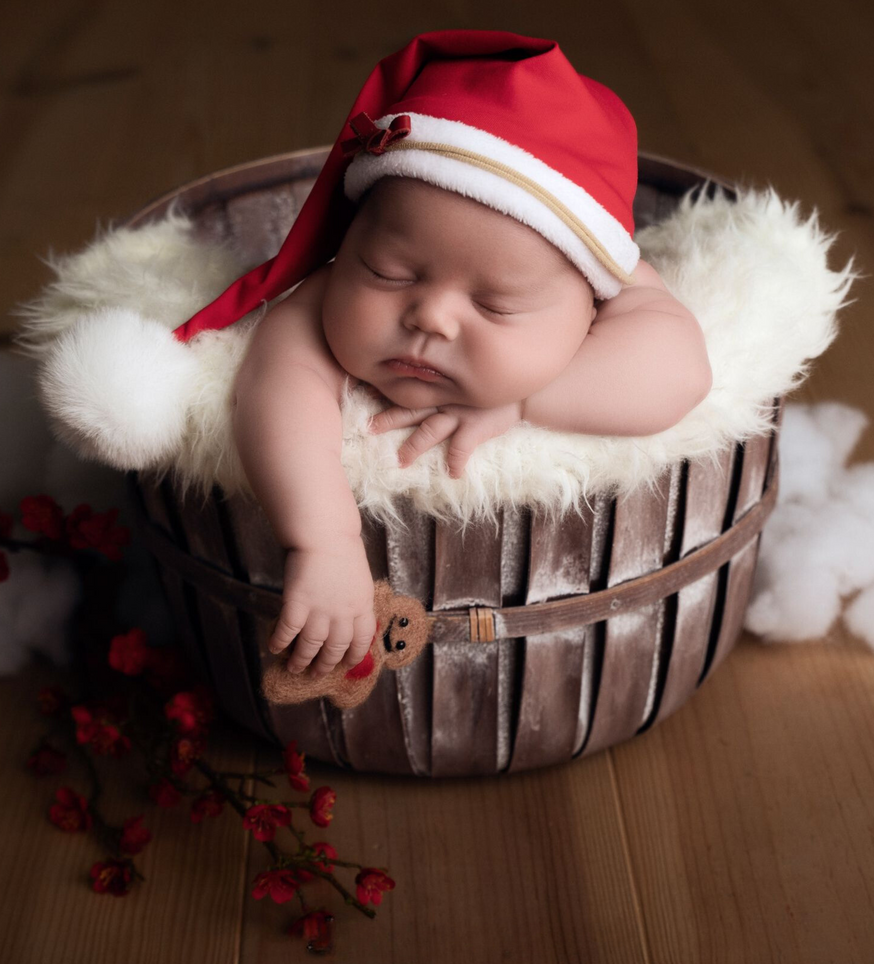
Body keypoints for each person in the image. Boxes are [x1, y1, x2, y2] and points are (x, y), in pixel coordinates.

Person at [188, 30, 713, 680]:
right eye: (389, 272)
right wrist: (323, 542)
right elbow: (275, 389)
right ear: (348, 243)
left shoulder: (605, 271)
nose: (430, 316)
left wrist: (523, 400)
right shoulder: (324, 299)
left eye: (494, 305)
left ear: (592, 303)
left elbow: (679, 369)